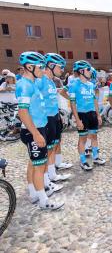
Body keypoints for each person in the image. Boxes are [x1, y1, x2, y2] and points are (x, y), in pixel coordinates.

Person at [16, 51, 64, 210]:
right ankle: (44, 200)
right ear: (29, 67)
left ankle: (33, 193)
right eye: (40, 67)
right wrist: (36, 134)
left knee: (35, 163)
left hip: (40, 127)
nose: (43, 70)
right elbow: (23, 112)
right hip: (33, 131)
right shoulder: (24, 85)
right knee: (38, 166)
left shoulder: (32, 83)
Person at [36, 53, 72, 194]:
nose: (62, 69)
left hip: (54, 116)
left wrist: (58, 115)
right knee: (47, 151)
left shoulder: (51, 81)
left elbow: (51, 100)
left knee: (53, 146)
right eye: (60, 67)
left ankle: (52, 174)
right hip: (45, 119)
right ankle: (46, 180)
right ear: (50, 66)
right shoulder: (41, 81)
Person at [69, 60, 106, 171]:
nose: (90, 71)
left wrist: (98, 115)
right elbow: (72, 103)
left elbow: (94, 100)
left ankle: (95, 157)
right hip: (81, 114)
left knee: (94, 136)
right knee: (83, 139)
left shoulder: (91, 84)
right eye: (88, 69)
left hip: (92, 114)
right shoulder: (74, 84)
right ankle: (83, 161)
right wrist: (77, 119)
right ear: (81, 71)